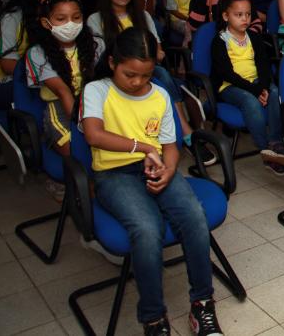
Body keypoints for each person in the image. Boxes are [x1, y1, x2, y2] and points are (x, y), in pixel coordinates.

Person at [79, 27, 223, 336]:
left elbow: (170, 146)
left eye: (145, 76)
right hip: (114, 174)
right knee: (146, 229)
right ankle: (154, 319)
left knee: (194, 217)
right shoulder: (97, 90)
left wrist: (170, 170)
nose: (137, 83)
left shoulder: (158, 94)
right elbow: (93, 134)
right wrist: (143, 147)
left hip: (157, 166)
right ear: (113, 62)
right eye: (130, 74)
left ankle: (202, 304)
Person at [87, 0, 202, 158]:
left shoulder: (143, 16)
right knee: (163, 76)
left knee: (161, 75)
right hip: (115, 70)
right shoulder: (96, 19)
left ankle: (179, 132)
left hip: (147, 68)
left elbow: (156, 50)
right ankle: (186, 131)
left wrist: (156, 53)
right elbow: (99, 56)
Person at [25, 0, 104, 201]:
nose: (70, 24)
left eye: (76, 17)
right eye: (61, 19)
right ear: (46, 22)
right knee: (80, 150)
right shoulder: (38, 53)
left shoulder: (96, 44)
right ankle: (89, 200)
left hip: (93, 101)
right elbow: (63, 92)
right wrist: (85, 128)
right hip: (61, 108)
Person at [210, 0, 284, 175]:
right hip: (229, 86)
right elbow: (227, 74)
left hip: (255, 83)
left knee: (274, 92)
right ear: (226, 16)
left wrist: (263, 87)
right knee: (250, 101)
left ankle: (276, 142)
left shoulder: (254, 38)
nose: (244, 19)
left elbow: (263, 65)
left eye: (248, 15)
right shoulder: (220, 41)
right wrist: (256, 90)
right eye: (238, 15)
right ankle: (265, 149)